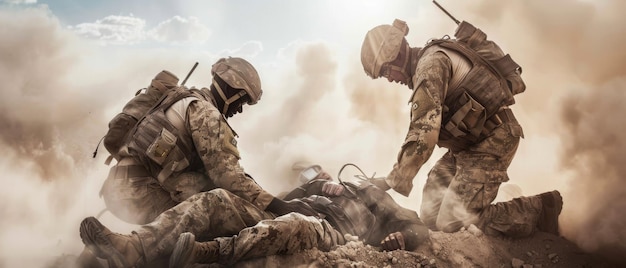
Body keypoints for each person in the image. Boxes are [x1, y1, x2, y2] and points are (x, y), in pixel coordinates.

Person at [78, 57, 317, 267]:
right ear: (233, 90)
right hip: (143, 194)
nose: (240, 110)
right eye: (242, 101)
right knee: (216, 203)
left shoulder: (181, 99)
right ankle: (134, 250)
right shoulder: (205, 112)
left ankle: (94, 257)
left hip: (118, 189)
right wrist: (278, 205)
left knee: (201, 189)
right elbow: (228, 175)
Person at [359, 19, 562, 238]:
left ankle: (541, 209)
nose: (389, 79)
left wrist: (391, 180)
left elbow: (425, 131)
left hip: (495, 138)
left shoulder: (430, 65)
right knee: (430, 216)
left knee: (453, 221)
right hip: (466, 147)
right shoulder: (426, 63)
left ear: (397, 55)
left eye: (386, 71)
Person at [79, 165, 429, 267]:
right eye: (310, 174)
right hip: (294, 216)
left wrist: (398, 241)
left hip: (334, 233)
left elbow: (413, 224)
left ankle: (206, 252)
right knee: (214, 198)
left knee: (298, 225)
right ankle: (133, 247)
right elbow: (269, 207)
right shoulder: (304, 192)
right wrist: (304, 192)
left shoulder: (366, 194)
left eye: (320, 173)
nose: (318, 178)